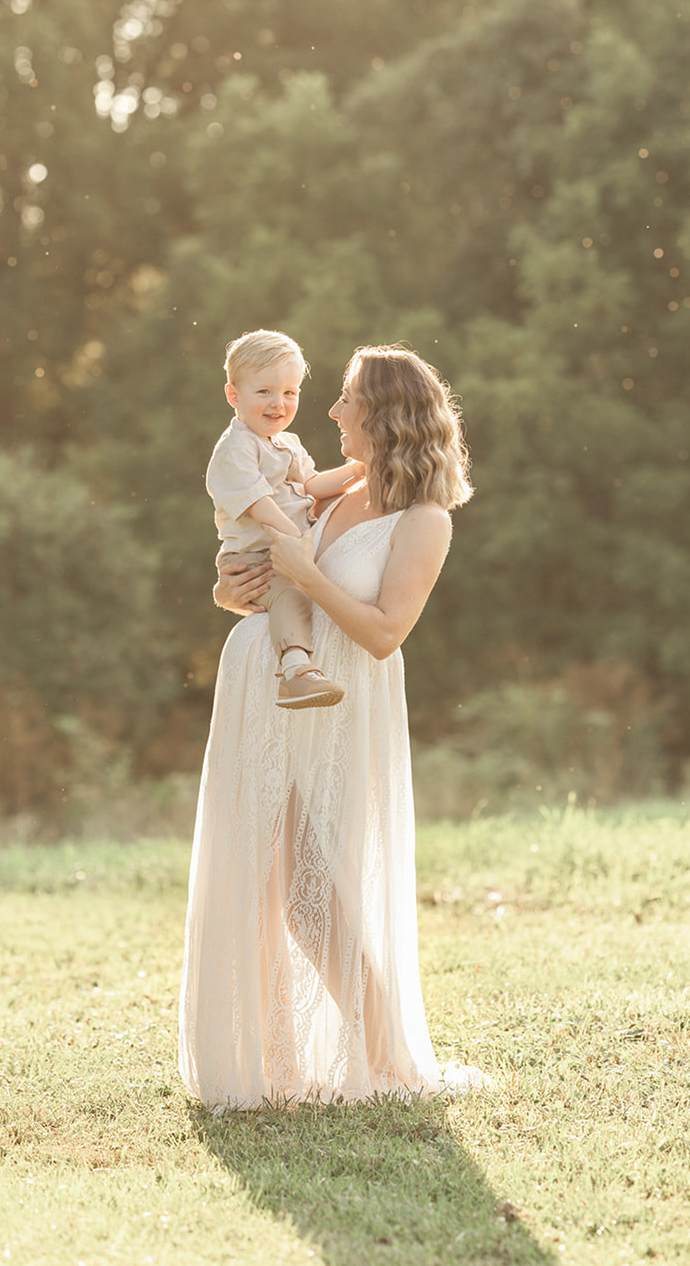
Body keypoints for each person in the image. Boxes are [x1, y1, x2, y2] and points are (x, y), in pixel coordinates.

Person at [179, 344, 480, 1109]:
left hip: (338, 706)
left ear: (381, 415)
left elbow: (383, 632)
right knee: (268, 875)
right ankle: (274, 1060)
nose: (332, 412)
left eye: (346, 400)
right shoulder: (318, 495)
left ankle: (384, 1054)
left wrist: (307, 576)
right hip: (267, 693)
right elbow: (277, 587)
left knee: (321, 880)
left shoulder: (423, 519)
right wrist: (231, 589)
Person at [206, 329, 362, 710]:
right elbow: (262, 508)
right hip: (256, 560)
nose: (279, 403)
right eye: (264, 392)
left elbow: (313, 484)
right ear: (233, 395)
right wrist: (301, 541)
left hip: (286, 549)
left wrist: (361, 470)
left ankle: (303, 666)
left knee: (309, 590)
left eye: (289, 392)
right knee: (290, 596)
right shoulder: (235, 450)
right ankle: (295, 672)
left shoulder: (287, 443)